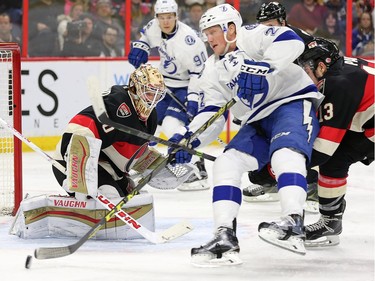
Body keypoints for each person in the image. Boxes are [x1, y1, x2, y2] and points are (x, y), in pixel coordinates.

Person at [168, 3, 322, 266]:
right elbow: (213, 114)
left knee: (285, 154)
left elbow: (291, 41)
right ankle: (224, 235)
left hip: (291, 103)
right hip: (257, 121)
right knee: (227, 162)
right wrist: (189, 137)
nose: (209, 38)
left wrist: (264, 67)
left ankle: (293, 222)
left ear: (230, 28)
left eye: (213, 31)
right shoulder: (211, 69)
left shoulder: (250, 35)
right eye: (205, 32)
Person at [240, 2, 318, 210]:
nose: (267, 28)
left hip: (299, 100)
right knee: (265, 150)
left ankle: (310, 184)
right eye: (263, 24)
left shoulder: (298, 39)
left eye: (271, 24)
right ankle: (274, 181)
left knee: (296, 144)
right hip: (276, 99)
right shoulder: (263, 39)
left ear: (283, 22)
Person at [297, 37, 374, 247]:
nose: (303, 74)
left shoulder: (337, 85)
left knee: (334, 158)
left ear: (321, 66)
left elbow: (324, 150)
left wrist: (280, 168)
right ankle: (331, 220)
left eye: (306, 68)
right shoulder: (341, 69)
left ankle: (330, 222)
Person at [128, 0, 209, 191]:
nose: (166, 21)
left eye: (169, 17)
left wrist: (194, 98)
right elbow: (146, 38)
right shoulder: (154, 27)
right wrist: (141, 47)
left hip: (185, 87)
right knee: (148, 124)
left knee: (172, 126)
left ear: (176, 17)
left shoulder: (188, 41)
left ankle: (198, 168)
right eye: (162, 17)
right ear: (157, 18)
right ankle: (146, 163)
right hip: (163, 84)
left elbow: (200, 72)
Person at [52, 64, 166, 200]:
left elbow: (131, 152)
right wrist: (77, 169)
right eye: (148, 93)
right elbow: (79, 128)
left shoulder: (151, 118)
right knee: (109, 194)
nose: (152, 100)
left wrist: (158, 163)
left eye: (157, 95)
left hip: (106, 166)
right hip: (70, 161)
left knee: (131, 197)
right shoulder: (118, 104)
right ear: (135, 88)